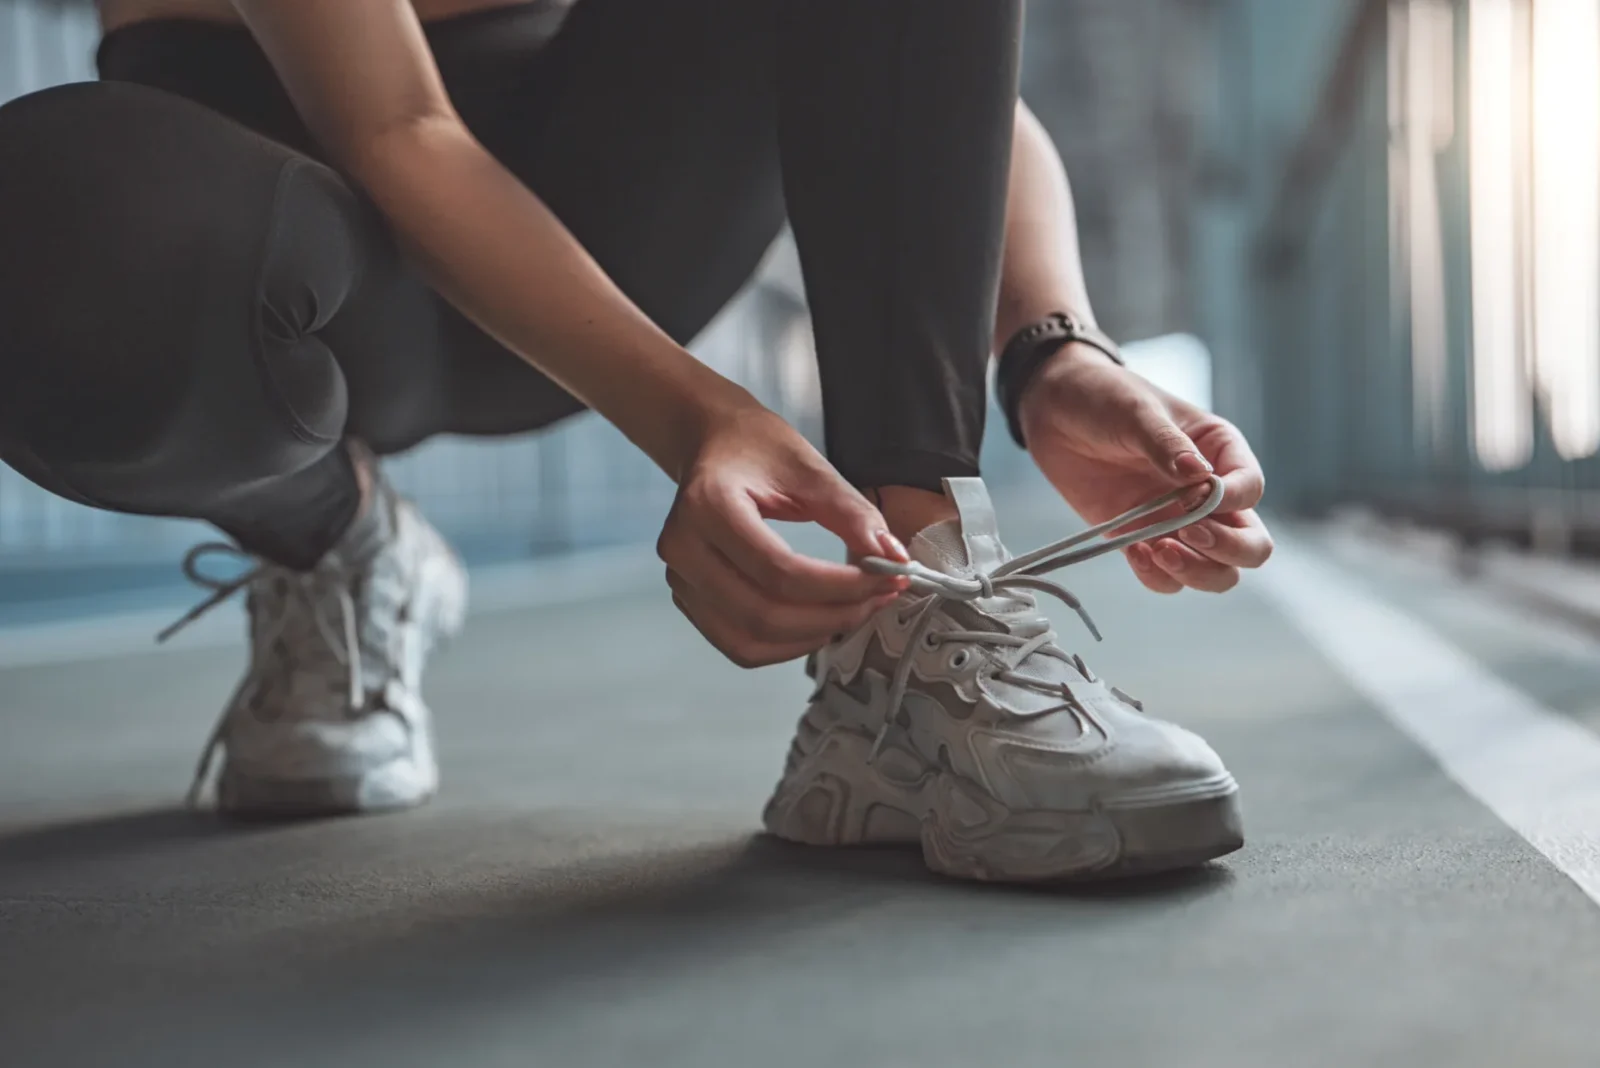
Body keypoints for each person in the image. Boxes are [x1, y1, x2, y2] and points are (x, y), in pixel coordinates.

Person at [0, 0, 1272, 882]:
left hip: (588, 202)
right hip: (271, 229)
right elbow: (398, 127)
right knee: (59, 230)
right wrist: (694, 414)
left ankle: (905, 621)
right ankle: (331, 543)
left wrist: (1048, 347)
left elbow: (922, 78)